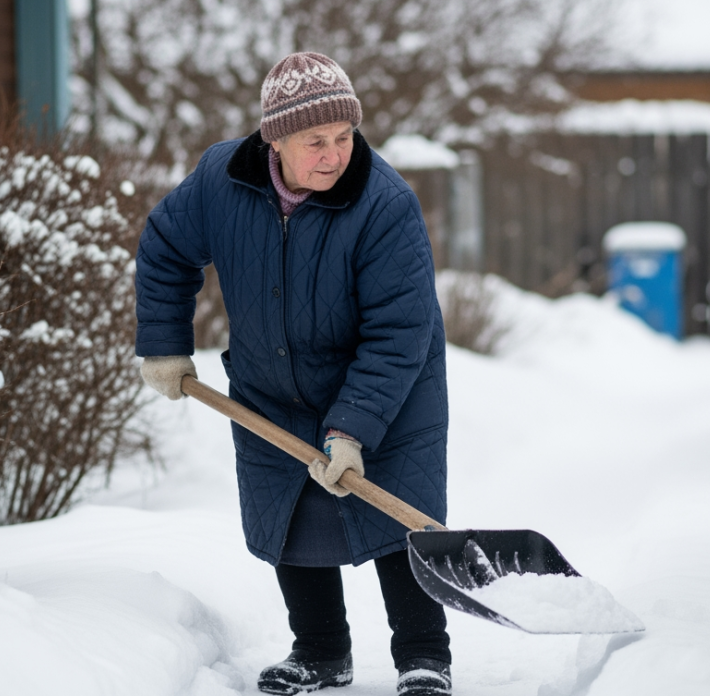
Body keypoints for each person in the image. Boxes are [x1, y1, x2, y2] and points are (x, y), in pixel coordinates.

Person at [135, 52, 451, 696]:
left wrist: (352, 429)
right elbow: (165, 249)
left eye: (344, 137)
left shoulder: (383, 203)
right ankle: (321, 652)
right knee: (290, 515)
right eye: (316, 141)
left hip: (387, 386)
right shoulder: (220, 180)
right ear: (273, 139)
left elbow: (400, 331)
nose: (334, 154)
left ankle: (424, 657)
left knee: (398, 522)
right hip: (271, 387)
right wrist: (165, 344)